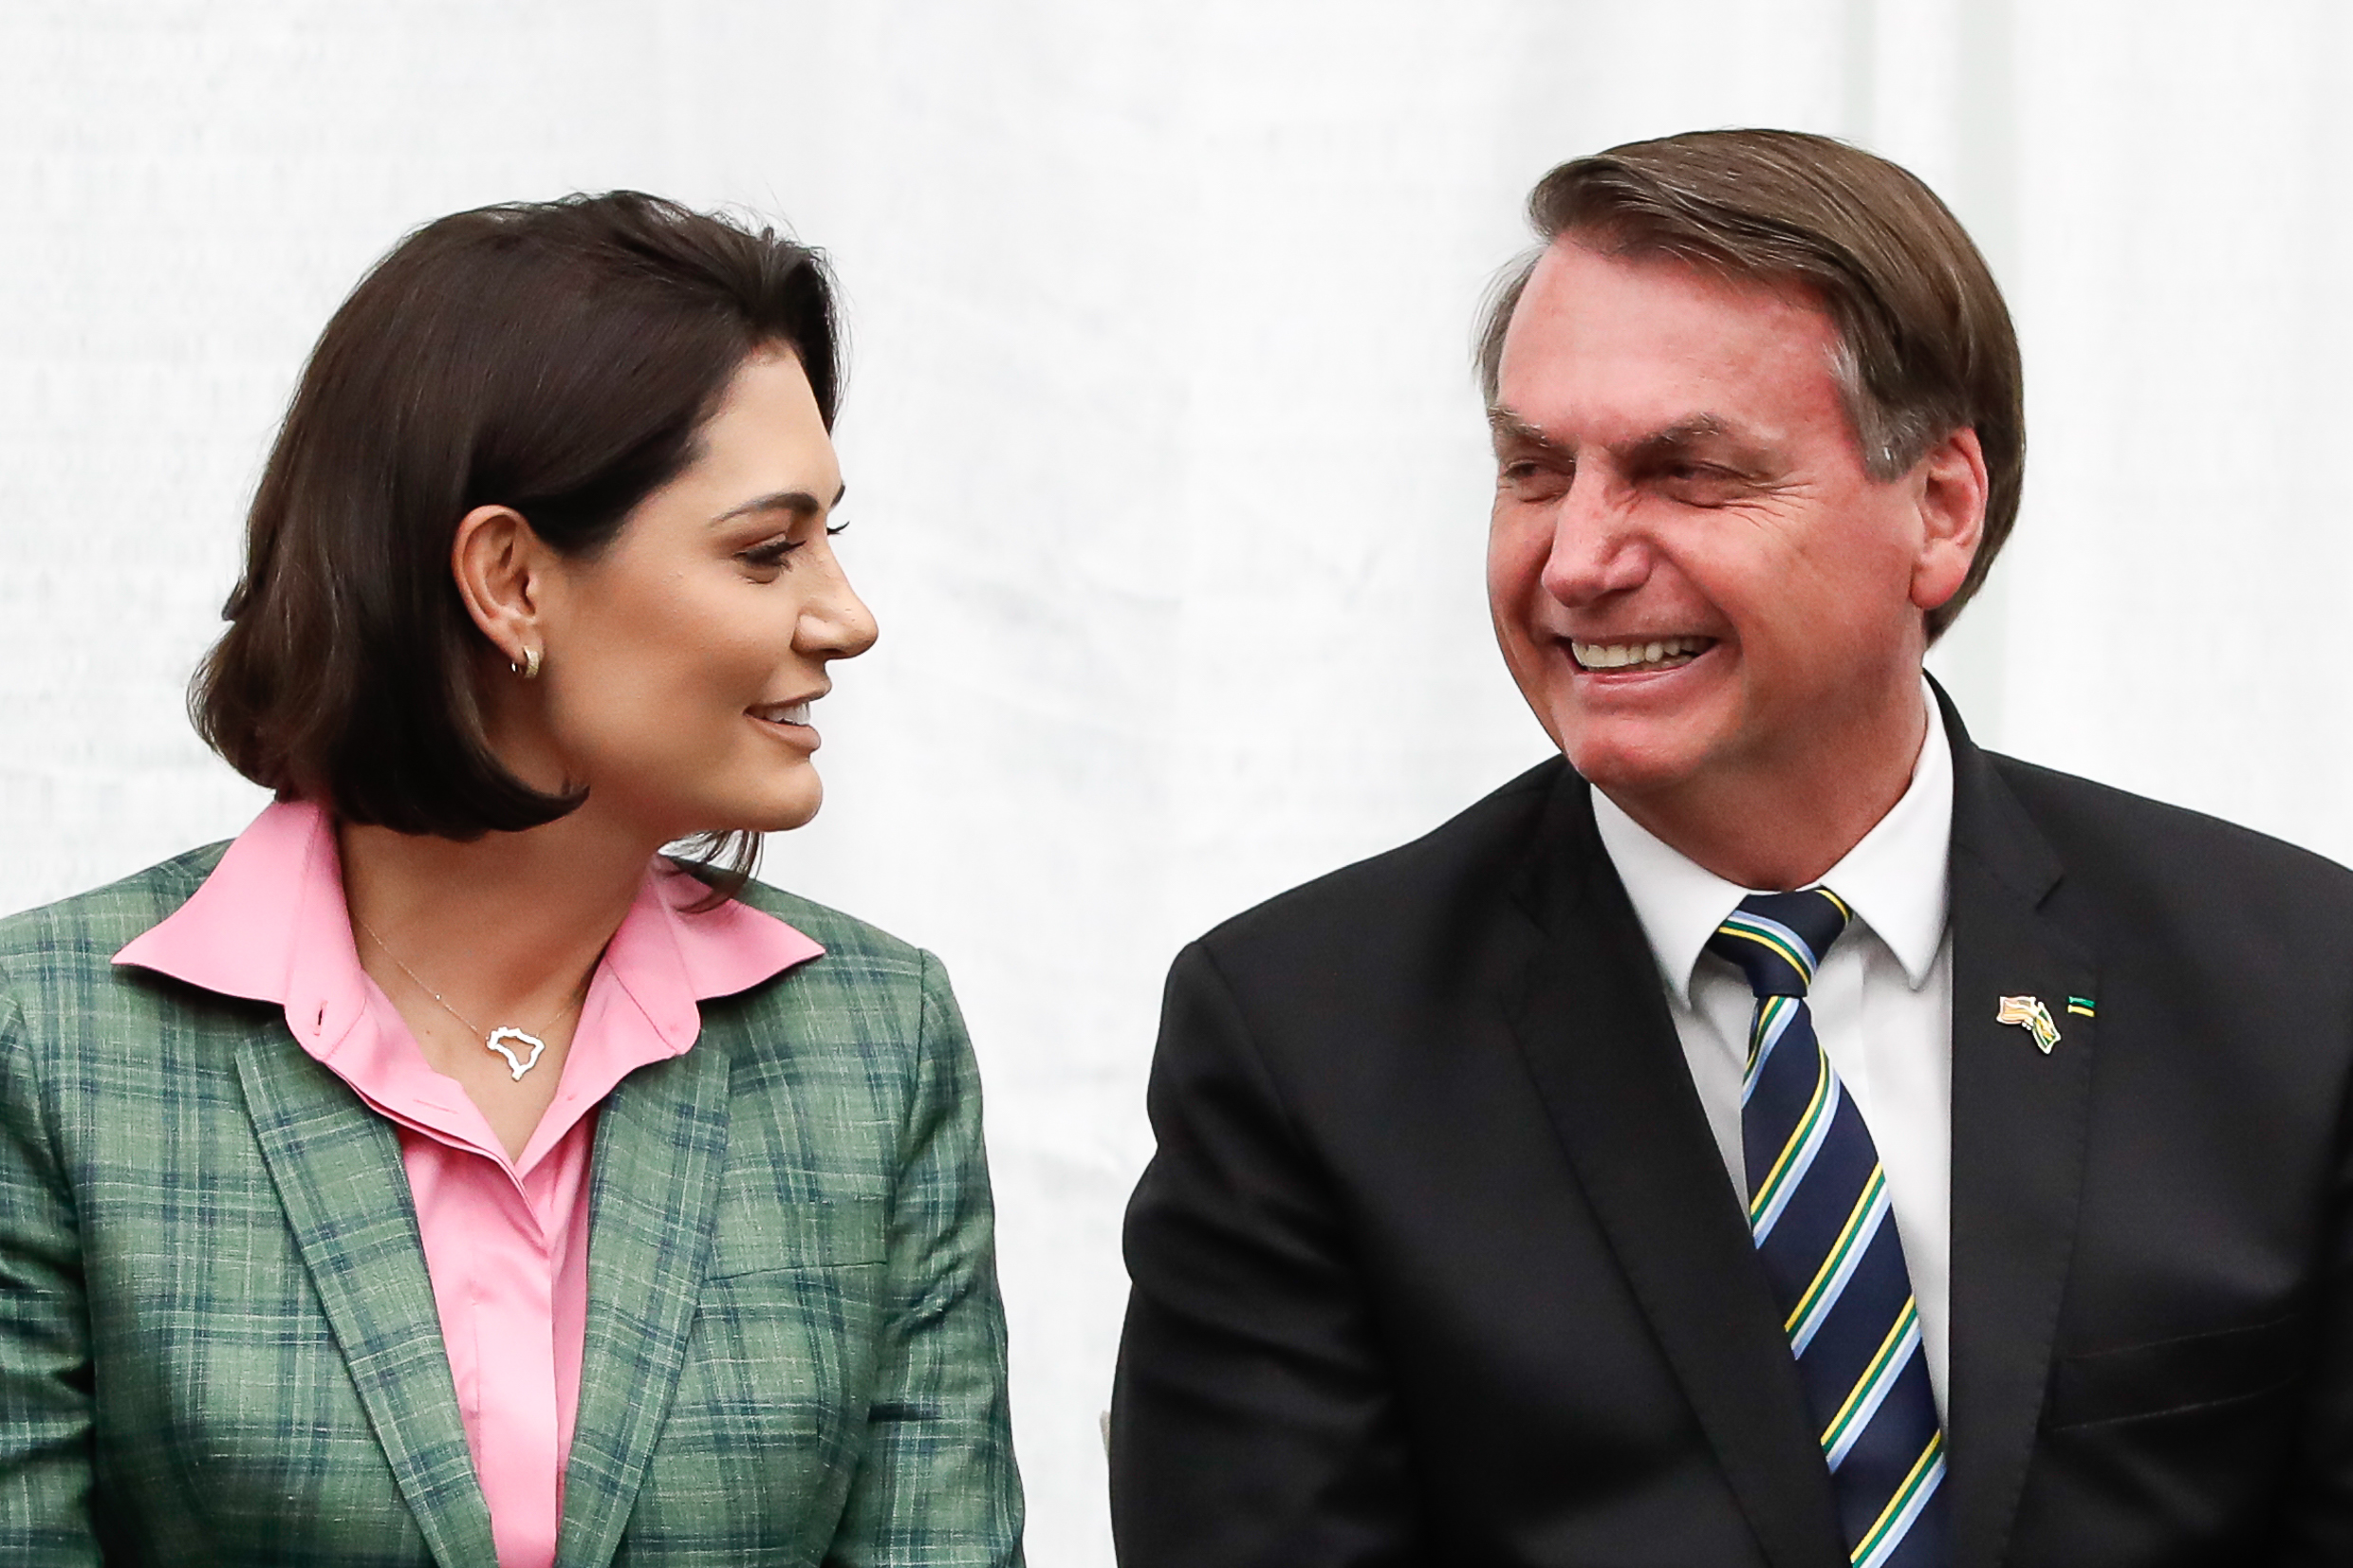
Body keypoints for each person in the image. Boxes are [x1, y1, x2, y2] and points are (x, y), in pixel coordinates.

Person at [1110, 129, 2353, 1567]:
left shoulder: (2294, 991)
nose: (1575, 558)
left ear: (1940, 511)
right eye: (1533, 470)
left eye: (1684, 472)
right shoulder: (1305, 1043)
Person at [0, 193, 1022, 1567]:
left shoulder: (876, 1046)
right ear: (510, 582)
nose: (847, 614)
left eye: (830, 537)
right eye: (768, 547)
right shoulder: (49, 1047)